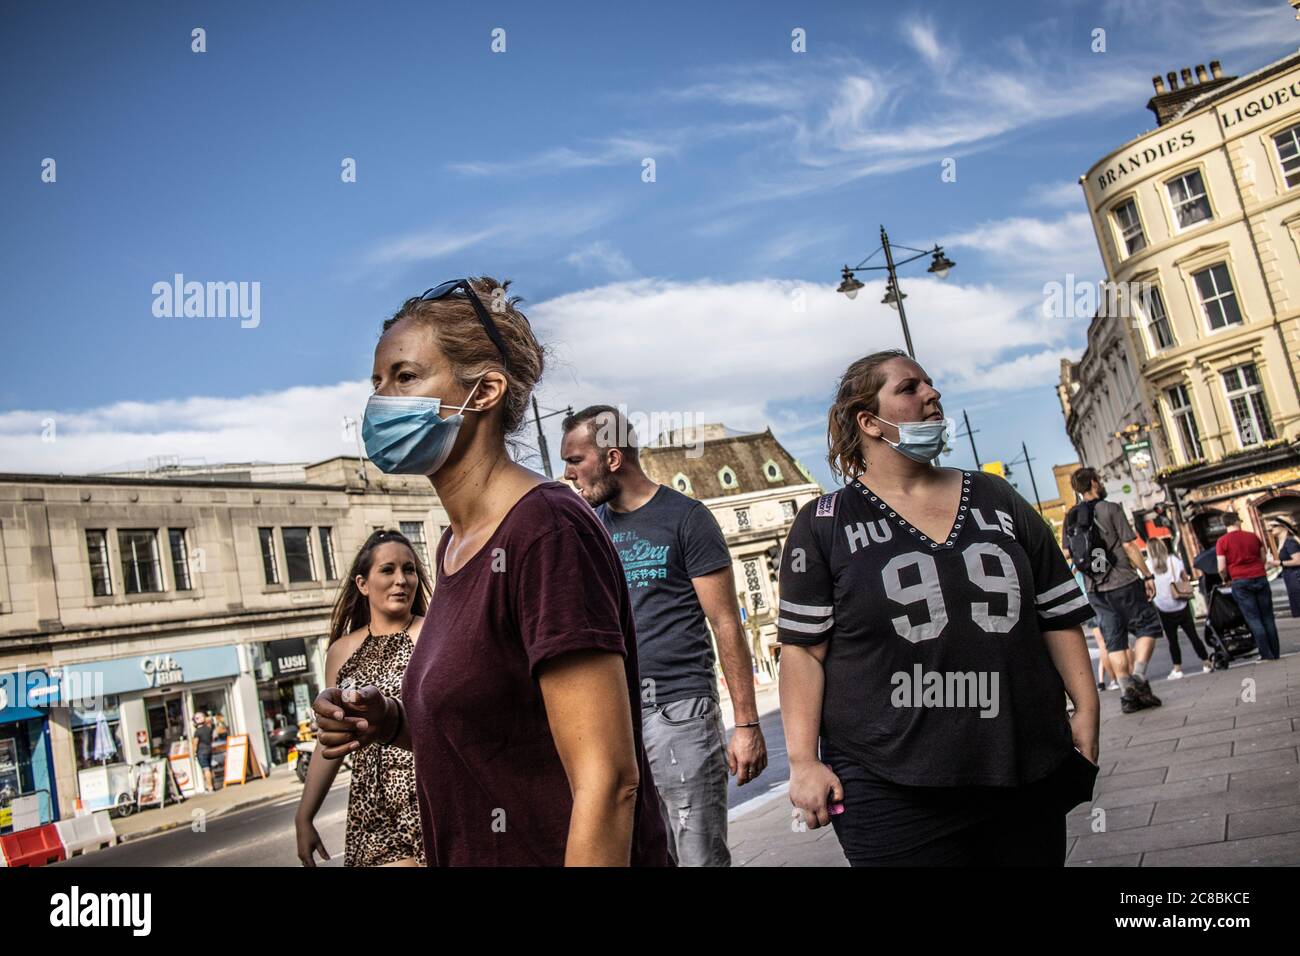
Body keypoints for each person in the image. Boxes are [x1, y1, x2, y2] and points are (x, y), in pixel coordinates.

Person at [313, 276, 671, 866]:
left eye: (405, 377)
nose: (379, 401)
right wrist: (391, 720)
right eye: (376, 383)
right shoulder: (455, 546)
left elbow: (608, 781)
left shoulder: (545, 529)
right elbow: (495, 733)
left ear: (483, 392)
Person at [780, 350, 1100, 866]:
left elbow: (1055, 612)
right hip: (889, 784)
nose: (932, 395)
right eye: (909, 388)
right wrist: (802, 761)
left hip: (1021, 764)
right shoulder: (823, 522)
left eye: (931, 385)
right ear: (869, 421)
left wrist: (1087, 710)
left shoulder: (997, 496)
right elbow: (802, 653)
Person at [559, 405, 768, 867]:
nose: (567, 473)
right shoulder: (590, 530)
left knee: (698, 857)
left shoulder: (686, 518)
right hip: (615, 718)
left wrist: (748, 725)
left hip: (681, 711)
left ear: (613, 458)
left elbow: (726, 623)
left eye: (576, 461)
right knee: (647, 856)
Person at [296, 529, 430, 867]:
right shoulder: (340, 653)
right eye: (388, 570)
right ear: (362, 584)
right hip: (373, 814)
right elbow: (331, 739)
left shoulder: (434, 633)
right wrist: (304, 816)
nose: (401, 579)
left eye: (409, 569)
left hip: (434, 798)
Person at [1064, 468, 1163, 714]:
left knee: (1114, 641)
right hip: (1124, 581)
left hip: (1094, 588)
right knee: (1148, 627)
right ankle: (1138, 676)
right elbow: (1129, 545)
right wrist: (1147, 575)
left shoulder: (1071, 516)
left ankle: (1126, 693)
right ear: (1094, 483)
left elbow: (1067, 554)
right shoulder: (1111, 508)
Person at [1216, 512, 1281, 660]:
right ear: (1237, 521)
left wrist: (1226, 578)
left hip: (1240, 581)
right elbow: (1263, 558)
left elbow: (1221, 567)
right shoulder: (1253, 537)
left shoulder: (1222, 542)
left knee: (1253, 618)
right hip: (1260, 577)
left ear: (1225, 524)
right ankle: (1275, 652)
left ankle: (1266, 654)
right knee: (1267, 617)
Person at [1145, 537, 1211, 679]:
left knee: (1172, 640)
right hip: (1181, 603)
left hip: (1163, 607)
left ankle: (1177, 668)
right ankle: (1206, 662)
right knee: (1193, 635)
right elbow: (1185, 579)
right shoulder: (1174, 561)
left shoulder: (1148, 566)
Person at [1272, 519, 1300, 618]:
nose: (1272, 529)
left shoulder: (1290, 541)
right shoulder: (1283, 542)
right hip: (1291, 577)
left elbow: (1298, 560)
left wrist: (1280, 563)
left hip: (1296, 576)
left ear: (1283, 527)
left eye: (1274, 526)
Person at [192, 712, 215, 792]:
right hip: (209, 749)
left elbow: (195, 743)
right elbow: (212, 739)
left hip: (201, 751)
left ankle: (209, 787)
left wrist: (194, 753)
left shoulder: (197, 732)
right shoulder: (209, 729)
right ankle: (211, 785)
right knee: (209, 768)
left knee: (205, 769)